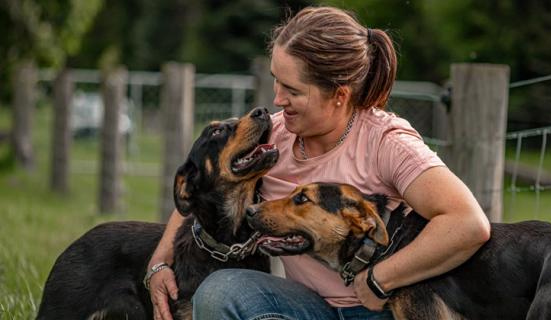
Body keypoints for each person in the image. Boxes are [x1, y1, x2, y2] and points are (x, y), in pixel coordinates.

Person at [148, 6, 490, 320]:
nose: (278, 99)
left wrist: (380, 278)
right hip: (309, 307)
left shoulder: (387, 144)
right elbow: (207, 185)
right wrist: (161, 261)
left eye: (293, 91)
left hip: (383, 308)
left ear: (340, 95)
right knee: (219, 292)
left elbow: (467, 222)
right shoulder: (273, 137)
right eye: (276, 81)